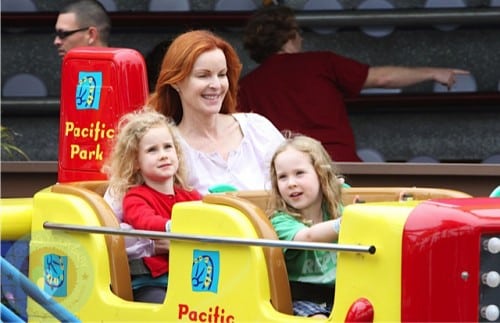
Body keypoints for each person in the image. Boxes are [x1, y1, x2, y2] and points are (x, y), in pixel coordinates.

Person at [238, 5, 470, 162]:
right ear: (289, 36)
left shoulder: (247, 86)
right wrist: (434, 72)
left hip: (287, 176)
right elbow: (382, 77)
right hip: (339, 167)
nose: (302, 37)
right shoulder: (322, 63)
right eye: (298, 31)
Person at [147, 29, 285, 194]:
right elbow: (118, 207)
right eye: (203, 76)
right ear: (176, 82)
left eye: (221, 74)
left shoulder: (258, 128)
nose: (216, 85)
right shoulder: (163, 146)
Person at [103, 108, 202, 303]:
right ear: (136, 161)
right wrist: (171, 227)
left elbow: (205, 217)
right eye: (152, 150)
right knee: (163, 307)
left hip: (186, 279)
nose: (163, 155)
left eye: (168, 147)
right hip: (152, 281)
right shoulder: (135, 197)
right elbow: (143, 220)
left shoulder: (190, 195)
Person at [267, 134, 343, 318]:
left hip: (339, 294)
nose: (291, 183)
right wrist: (348, 222)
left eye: (299, 173)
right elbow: (308, 237)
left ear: (321, 174)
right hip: (300, 298)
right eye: (283, 177)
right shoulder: (280, 221)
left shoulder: (335, 211)